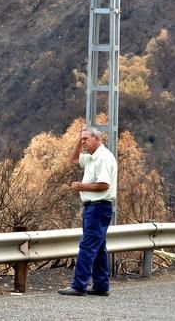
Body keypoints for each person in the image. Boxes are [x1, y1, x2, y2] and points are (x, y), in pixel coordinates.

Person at [58, 126, 117, 297]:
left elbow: (104, 185)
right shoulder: (92, 157)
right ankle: (101, 285)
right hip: (94, 207)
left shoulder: (103, 158)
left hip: (99, 206)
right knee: (98, 248)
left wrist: (81, 186)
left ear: (97, 139)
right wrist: (79, 139)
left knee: (87, 246)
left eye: (86, 139)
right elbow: (74, 159)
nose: (83, 142)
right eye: (82, 139)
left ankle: (79, 285)